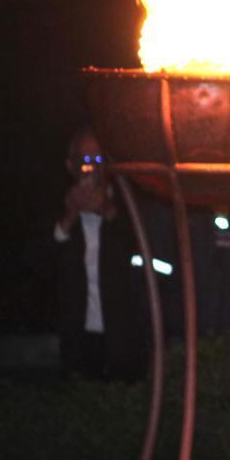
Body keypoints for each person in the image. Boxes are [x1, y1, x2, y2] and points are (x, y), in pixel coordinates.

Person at [45, 126, 149, 380]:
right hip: (78, 336)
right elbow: (40, 265)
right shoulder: (55, 205)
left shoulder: (130, 205)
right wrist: (69, 217)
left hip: (123, 336)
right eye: (85, 160)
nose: (91, 167)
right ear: (71, 165)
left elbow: (147, 255)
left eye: (99, 159)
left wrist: (107, 211)